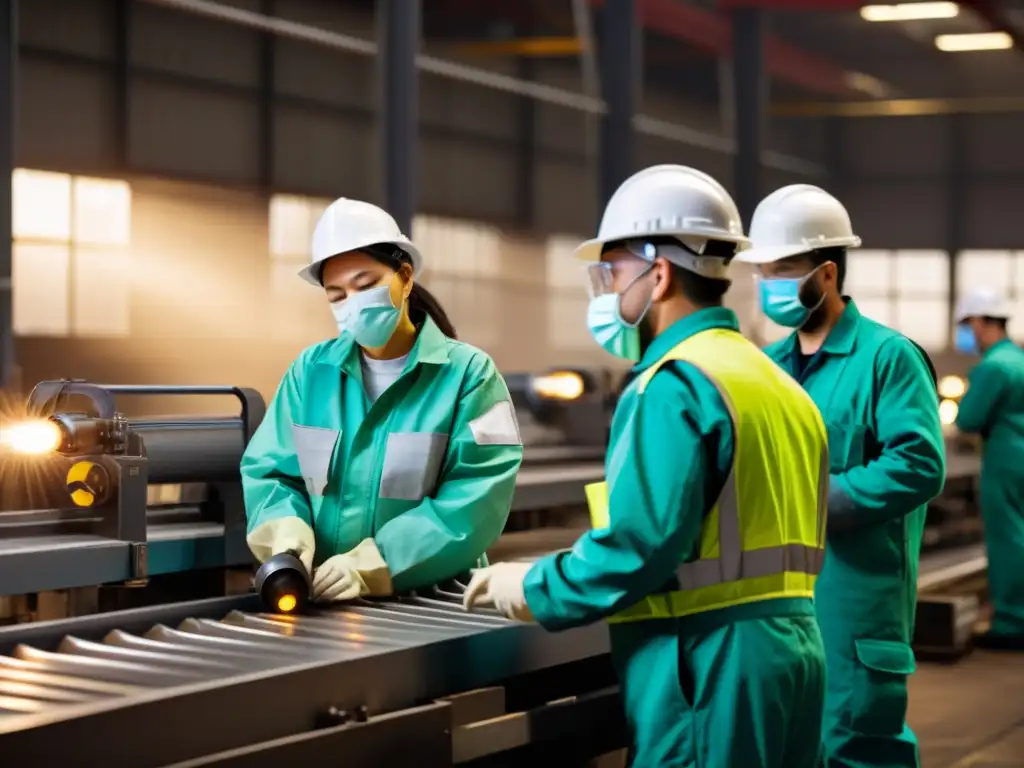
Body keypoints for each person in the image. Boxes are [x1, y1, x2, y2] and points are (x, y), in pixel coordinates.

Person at [464, 165, 830, 767]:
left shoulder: (674, 383)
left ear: (658, 274)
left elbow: (640, 546)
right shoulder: (776, 381)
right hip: (793, 651)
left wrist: (533, 587)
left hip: (708, 663)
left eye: (613, 272)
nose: (608, 292)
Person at [735, 184, 946, 768]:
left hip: (856, 604)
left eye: (783, 269)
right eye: (762, 271)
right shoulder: (766, 367)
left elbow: (918, 463)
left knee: (857, 748)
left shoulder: (888, 358)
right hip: (778, 603)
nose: (768, 283)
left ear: (826, 273)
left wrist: (812, 503)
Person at [242, 198, 523, 602]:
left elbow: (477, 497)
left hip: (435, 598)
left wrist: (375, 564)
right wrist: (287, 536)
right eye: (337, 295)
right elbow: (271, 472)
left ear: (405, 278)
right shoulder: (310, 373)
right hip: (328, 596)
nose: (352, 303)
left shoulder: (470, 375)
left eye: (365, 284)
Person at [953, 289, 1024, 648]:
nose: (966, 333)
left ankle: (1012, 622)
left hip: (1005, 463)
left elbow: (968, 418)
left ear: (981, 322)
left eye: (967, 324)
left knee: (1007, 538)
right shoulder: (1019, 360)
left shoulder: (993, 367)